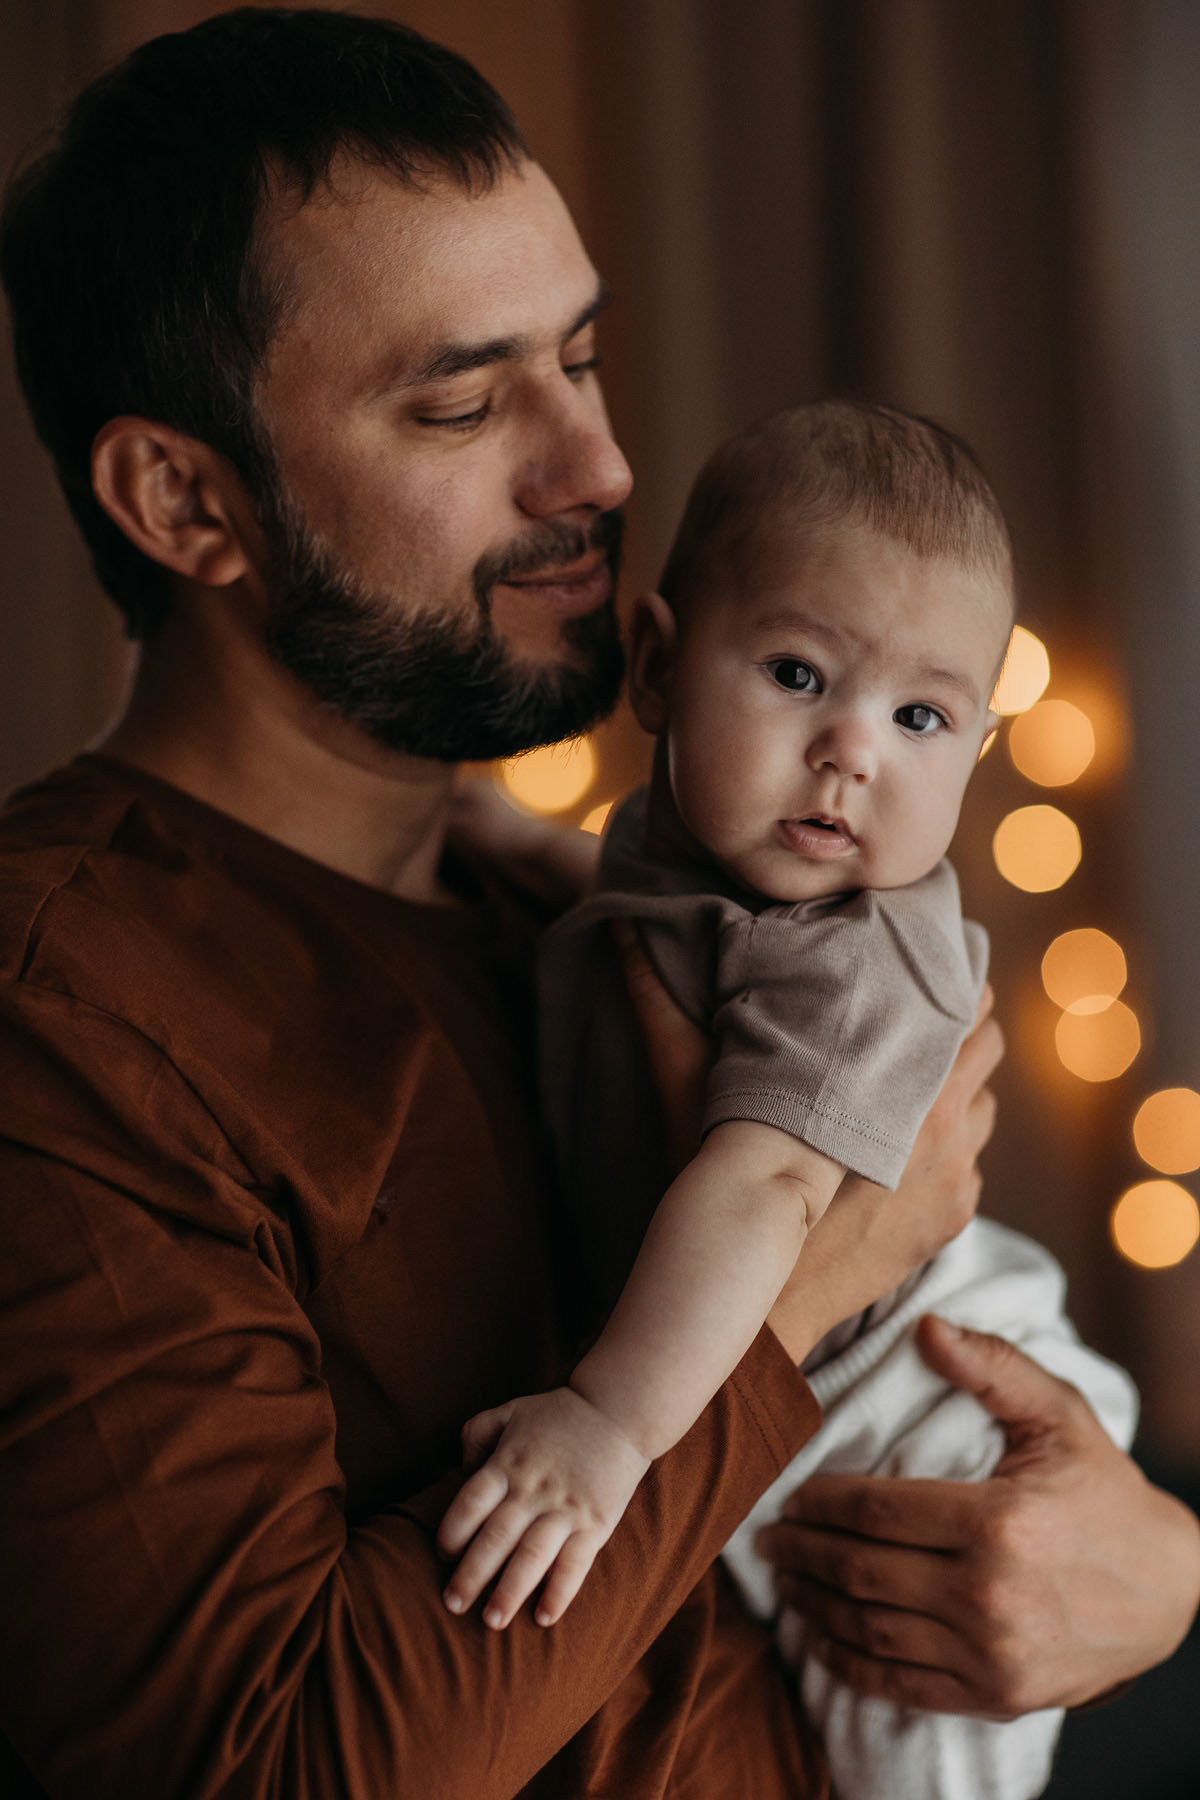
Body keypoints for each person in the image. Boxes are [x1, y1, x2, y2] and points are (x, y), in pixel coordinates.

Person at [0, 9, 1191, 1798]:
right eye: (469, 403)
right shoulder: (66, 1016)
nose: (601, 470)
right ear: (184, 498)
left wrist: (1147, 1572)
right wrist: (811, 1282)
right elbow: (276, 1765)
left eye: (583, 359)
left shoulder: (594, 896)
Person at [437, 402, 1137, 1800]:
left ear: (976, 753)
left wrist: (608, 1427)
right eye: (800, 673)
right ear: (656, 664)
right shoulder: (697, 851)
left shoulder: (852, 955)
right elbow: (655, 931)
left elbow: (765, 1190)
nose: (852, 752)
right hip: (803, 1353)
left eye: (921, 715)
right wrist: (520, 841)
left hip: (916, 1388)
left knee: (903, 1708)